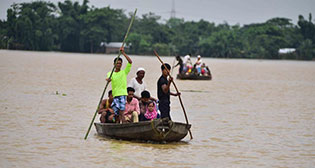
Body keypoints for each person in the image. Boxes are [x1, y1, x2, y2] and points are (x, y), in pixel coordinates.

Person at [106, 47, 132, 123]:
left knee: (121, 112)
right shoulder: (110, 73)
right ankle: (117, 125)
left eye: (120, 63)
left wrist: (123, 53)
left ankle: (123, 124)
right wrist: (108, 80)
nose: (118, 65)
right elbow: (109, 78)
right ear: (114, 64)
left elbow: (130, 62)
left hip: (122, 94)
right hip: (115, 95)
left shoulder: (124, 72)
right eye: (117, 63)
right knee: (116, 113)